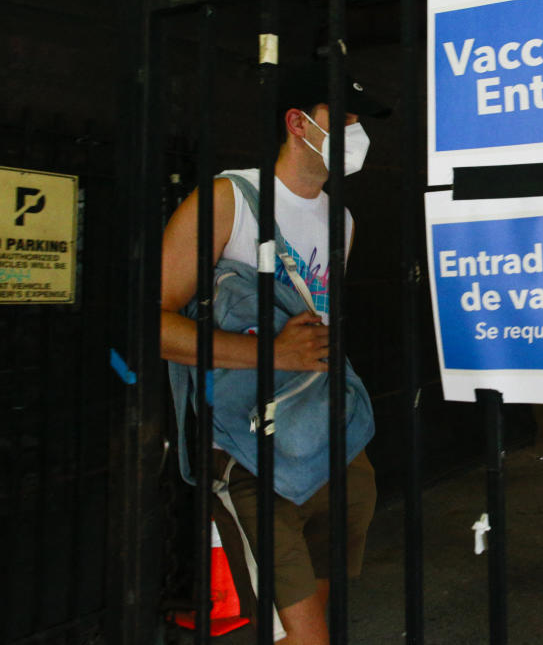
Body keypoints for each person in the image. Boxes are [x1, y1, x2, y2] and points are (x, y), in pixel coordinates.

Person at [160, 60, 384, 645]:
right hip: (247, 449)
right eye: (346, 118)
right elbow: (148, 326)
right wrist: (272, 355)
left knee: (306, 629)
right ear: (298, 123)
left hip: (328, 442)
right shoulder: (229, 199)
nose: (358, 132)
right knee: (306, 638)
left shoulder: (345, 221)